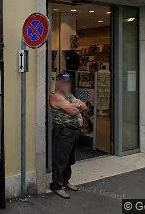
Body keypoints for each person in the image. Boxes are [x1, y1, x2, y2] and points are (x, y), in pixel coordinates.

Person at [49, 71, 87, 199]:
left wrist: (77, 105)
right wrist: (77, 106)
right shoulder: (56, 96)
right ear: (58, 83)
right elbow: (72, 111)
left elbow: (84, 105)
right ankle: (57, 186)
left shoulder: (69, 96)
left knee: (69, 159)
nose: (67, 85)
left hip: (73, 132)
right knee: (60, 159)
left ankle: (65, 182)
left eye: (68, 83)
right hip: (63, 132)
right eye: (64, 83)